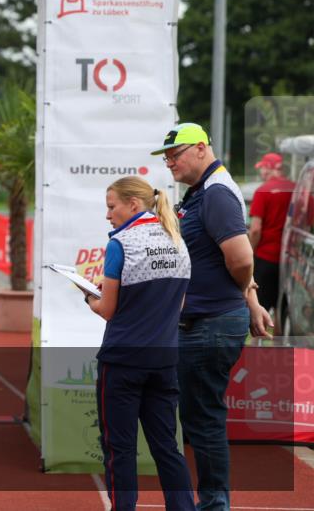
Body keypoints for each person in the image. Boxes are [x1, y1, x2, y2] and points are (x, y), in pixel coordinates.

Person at [152, 122, 273, 511]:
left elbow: (240, 258)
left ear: (202, 148)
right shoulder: (203, 191)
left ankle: (214, 504)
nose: (170, 162)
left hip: (209, 324)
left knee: (203, 420)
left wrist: (243, 296)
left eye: (177, 154)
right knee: (200, 418)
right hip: (206, 321)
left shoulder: (217, 193)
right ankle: (211, 502)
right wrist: (250, 299)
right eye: (166, 157)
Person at [85, 177, 194, 510]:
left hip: (123, 361)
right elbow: (178, 306)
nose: (108, 215)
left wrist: (89, 296)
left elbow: (107, 310)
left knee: (120, 449)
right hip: (163, 361)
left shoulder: (122, 243)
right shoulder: (177, 238)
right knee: (167, 448)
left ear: (133, 204)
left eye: (111, 206)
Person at [248, 152, 295, 312]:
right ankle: (280, 337)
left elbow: (255, 229)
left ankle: (256, 338)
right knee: (283, 309)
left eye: (262, 168)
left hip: (266, 258)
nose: (261, 172)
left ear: (268, 169)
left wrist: (249, 251)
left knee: (259, 308)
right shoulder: (296, 189)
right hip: (290, 260)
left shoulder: (263, 191)